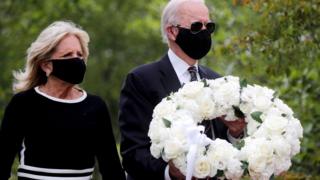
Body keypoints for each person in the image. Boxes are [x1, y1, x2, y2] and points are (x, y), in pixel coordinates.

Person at [118, 0, 246, 180]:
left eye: (208, 26)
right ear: (172, 31)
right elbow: (133, 154)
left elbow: (228, 149)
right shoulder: (142, 80)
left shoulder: (217, 81)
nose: (204, 32)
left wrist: (235, 133)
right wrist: (169, 173)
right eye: (196, 26)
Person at [0, 21, 126, 180]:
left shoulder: (95, 107)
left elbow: (112, 169)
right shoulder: (23, 104)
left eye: (79, 55)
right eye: (67, 55)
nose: (77, 60)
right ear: (46, 65)